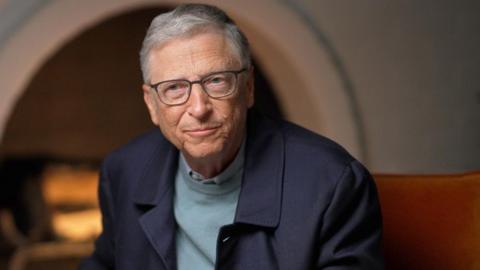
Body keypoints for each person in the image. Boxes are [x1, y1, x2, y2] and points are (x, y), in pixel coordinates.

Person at [80, 3, 383, 270]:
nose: (199, 108)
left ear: (248, 87)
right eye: (174, 88)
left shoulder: (332, 183)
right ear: (152, 104)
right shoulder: (123, 171)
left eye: (216, 81)